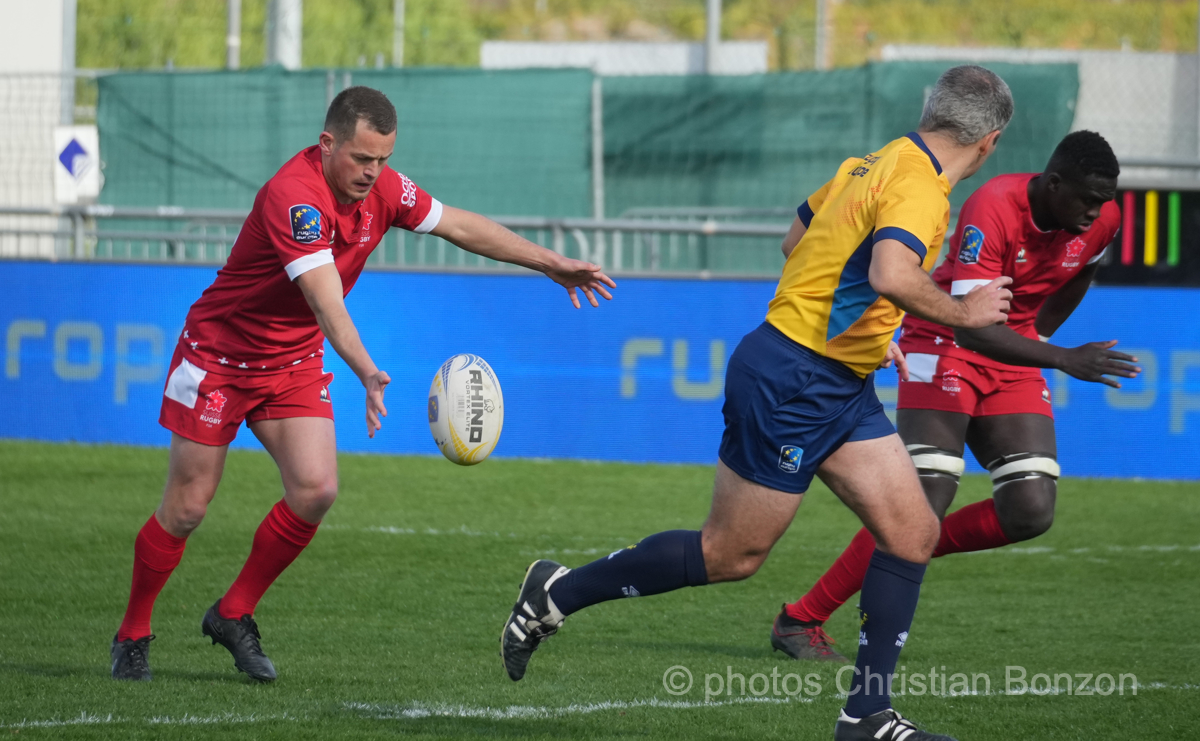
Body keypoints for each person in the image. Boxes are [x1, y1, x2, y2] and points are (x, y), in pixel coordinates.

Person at [500, 66, 1015, 741]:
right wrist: (964, 312)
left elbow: (796, 240)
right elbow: (890, 271)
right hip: (795, 380)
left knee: (912, 531)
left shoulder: (875, 161)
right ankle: (555, 592)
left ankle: (868, 715)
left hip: (836, 379)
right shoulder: (921, 189)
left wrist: (868, 327)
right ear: (990, 142)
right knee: (731, 555)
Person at [110, 86, 616, 682]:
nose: (372, 173)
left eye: (382, 160)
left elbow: (459, 225)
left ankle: (232, 613)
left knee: (316, 489)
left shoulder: (383, 188)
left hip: (290, 360)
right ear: (328, 144)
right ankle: (133, 632)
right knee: (188, 506)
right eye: (361, 159)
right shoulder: (293, 198)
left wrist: (550, 262)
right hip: (219, 355)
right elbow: (326, 303)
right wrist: (368, 372)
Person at [770, 130, 1140, 663]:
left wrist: (1035, 337)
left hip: (1011, 350)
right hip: (945, 341)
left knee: (1030, 511)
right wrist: (1060, 357)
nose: (1097, 210)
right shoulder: (992, 206)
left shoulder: (1103, 218)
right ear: (1054, 183)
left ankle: (905, 549)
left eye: (1104, 200)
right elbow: (970, 328)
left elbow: (1081, 272)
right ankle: (802, 617)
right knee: (923, 504)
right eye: (1086, 198)